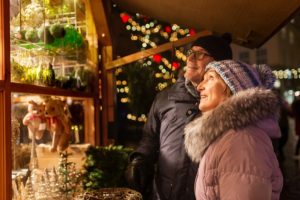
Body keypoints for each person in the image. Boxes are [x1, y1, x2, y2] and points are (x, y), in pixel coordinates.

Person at [125, 34, 233, 200]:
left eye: (200, 54)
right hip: (163, 195)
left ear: (219, 66)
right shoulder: (165, 98)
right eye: (191, 52)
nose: (190, 58)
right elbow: (149, 138)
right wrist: (140, 160)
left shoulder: (230, 106)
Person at [184, 60, 283, 200]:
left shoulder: (241, 141)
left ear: (232, 88)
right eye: (202, 80)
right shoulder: (227, 136)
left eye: (210, 78)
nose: (199, 86)